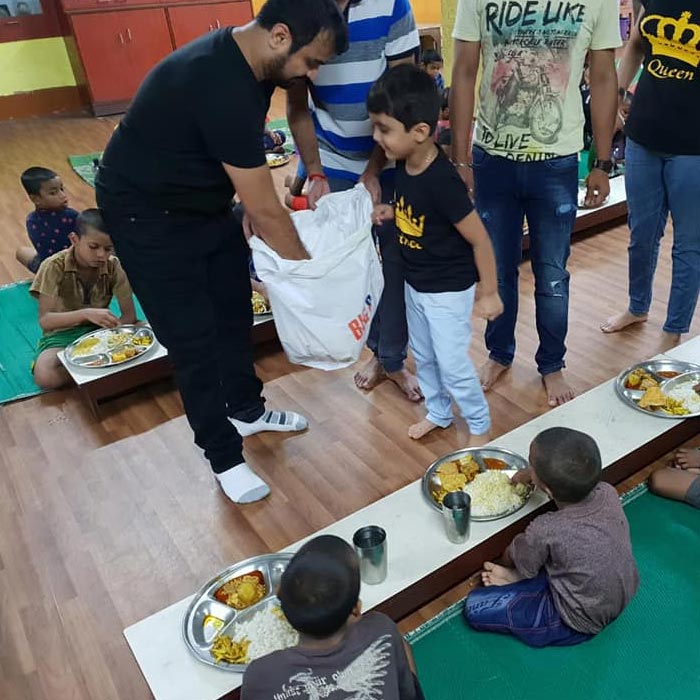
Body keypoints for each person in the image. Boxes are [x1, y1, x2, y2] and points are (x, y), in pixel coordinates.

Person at [96, 0, 348, 504]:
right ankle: (223, 456)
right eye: (311, 62)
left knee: (234, 311)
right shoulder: (216, 79)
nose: (313, 74)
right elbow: (270, 213)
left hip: (203, 201)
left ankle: (246, 410)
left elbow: (244, 172)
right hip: (144, 213)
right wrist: (317, 279)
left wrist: (248, 202)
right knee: (191, 340)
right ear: (280, 36)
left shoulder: (258, 66)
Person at [450, 0, 621, 407]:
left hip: (557, 164)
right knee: (496, 268)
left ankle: (552, 362)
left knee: (552, 274)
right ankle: (499, 353)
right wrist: (459, 158)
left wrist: (601, 161)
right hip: (492, 160)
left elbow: (602, 76)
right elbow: (464, 71)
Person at [286, 0, 423, 403]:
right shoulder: (299, 10)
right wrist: (314, 172)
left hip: (391, 156)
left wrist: (375, 168)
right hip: (332, 159)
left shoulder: (392, 6)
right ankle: (378, 350)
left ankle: (391, 358)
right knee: (354, 266)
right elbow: (297, 107)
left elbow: (402, 96)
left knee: (394, 262)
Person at [368, 65, 503, 443]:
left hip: (447, 290)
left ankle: (479, 425)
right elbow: (420, 213)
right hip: (416, 283)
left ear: (420, 132)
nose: (376, 137)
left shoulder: (444, 182)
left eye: (384, 129)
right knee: (424, 357)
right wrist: (392, 211)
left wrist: (490, 292)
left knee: (453, 364)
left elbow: (480, 240)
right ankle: (439, 412)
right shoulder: (404, 163)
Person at [464, 427, 639, 647]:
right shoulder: (607, 492)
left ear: (547, 489)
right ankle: (520, 580)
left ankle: (519, 582)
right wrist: (530, 475)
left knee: (475, 607)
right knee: (555, 554)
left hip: (577, 620)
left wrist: (510, 566)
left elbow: (518, 556)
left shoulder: (547, 527)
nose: (529, 468)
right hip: (616, 594)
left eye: (531, 465)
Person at [600, 2, 700, 342]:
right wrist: (614, 97)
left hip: (693, 146)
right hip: (643, 134)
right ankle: (637, 306)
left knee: (688, 244)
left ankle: (673, 332)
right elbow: (636, 46)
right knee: (641, 234)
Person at [241, 535, 424, 700]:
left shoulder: (259, 676)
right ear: (356, 610)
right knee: (400, 643)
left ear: (279, 594)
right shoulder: (380, 629)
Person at [30, 209, 136, 390]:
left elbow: (129, 316)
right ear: (74, 239)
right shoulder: (52, 266)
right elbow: (45, 321)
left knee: (157, 333)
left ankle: (92, 369)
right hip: (62, 336)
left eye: (108, 248)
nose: (102, 255)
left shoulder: (114, 266)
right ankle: (104, 368)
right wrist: (85, 314)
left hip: (102, 330)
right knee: (45, 376)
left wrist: (112, 336)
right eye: (93, 247)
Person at [16, 167, 78, 274]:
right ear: (36, 199)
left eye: (62, 189)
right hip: (68, 268)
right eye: (53, 193)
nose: (63, 195)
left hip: (50, 269)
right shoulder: (72, 215)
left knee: (21, 252)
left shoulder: (32, 221)